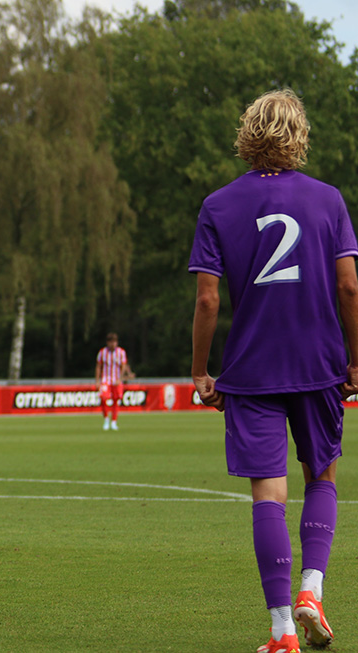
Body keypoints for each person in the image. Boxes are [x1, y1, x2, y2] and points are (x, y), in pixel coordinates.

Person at [189, 89, 358, 653]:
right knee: (322, 476)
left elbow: (208, 301)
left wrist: (200, 372)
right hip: (319, 363)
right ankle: (313, 589)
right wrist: (355, 359)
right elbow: (349, 286)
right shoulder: (329, 199)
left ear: (247, 134)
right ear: (299, 134)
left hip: (251, 368)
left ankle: (283, 630)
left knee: (269, 492)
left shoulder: (218, 204)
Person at [94, 332, 134, 431]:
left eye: (115, 342)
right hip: (106, 379)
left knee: (116, 400)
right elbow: (99, 366)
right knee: (103, 398)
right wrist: (97, 381)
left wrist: (120, 378)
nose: (113, 344)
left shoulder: (121, 352)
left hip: (116, 380)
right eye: (111, 342)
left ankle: (114, 422)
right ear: (107, 342)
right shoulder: (102, 352)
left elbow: (124, 365)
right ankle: (106, 419)